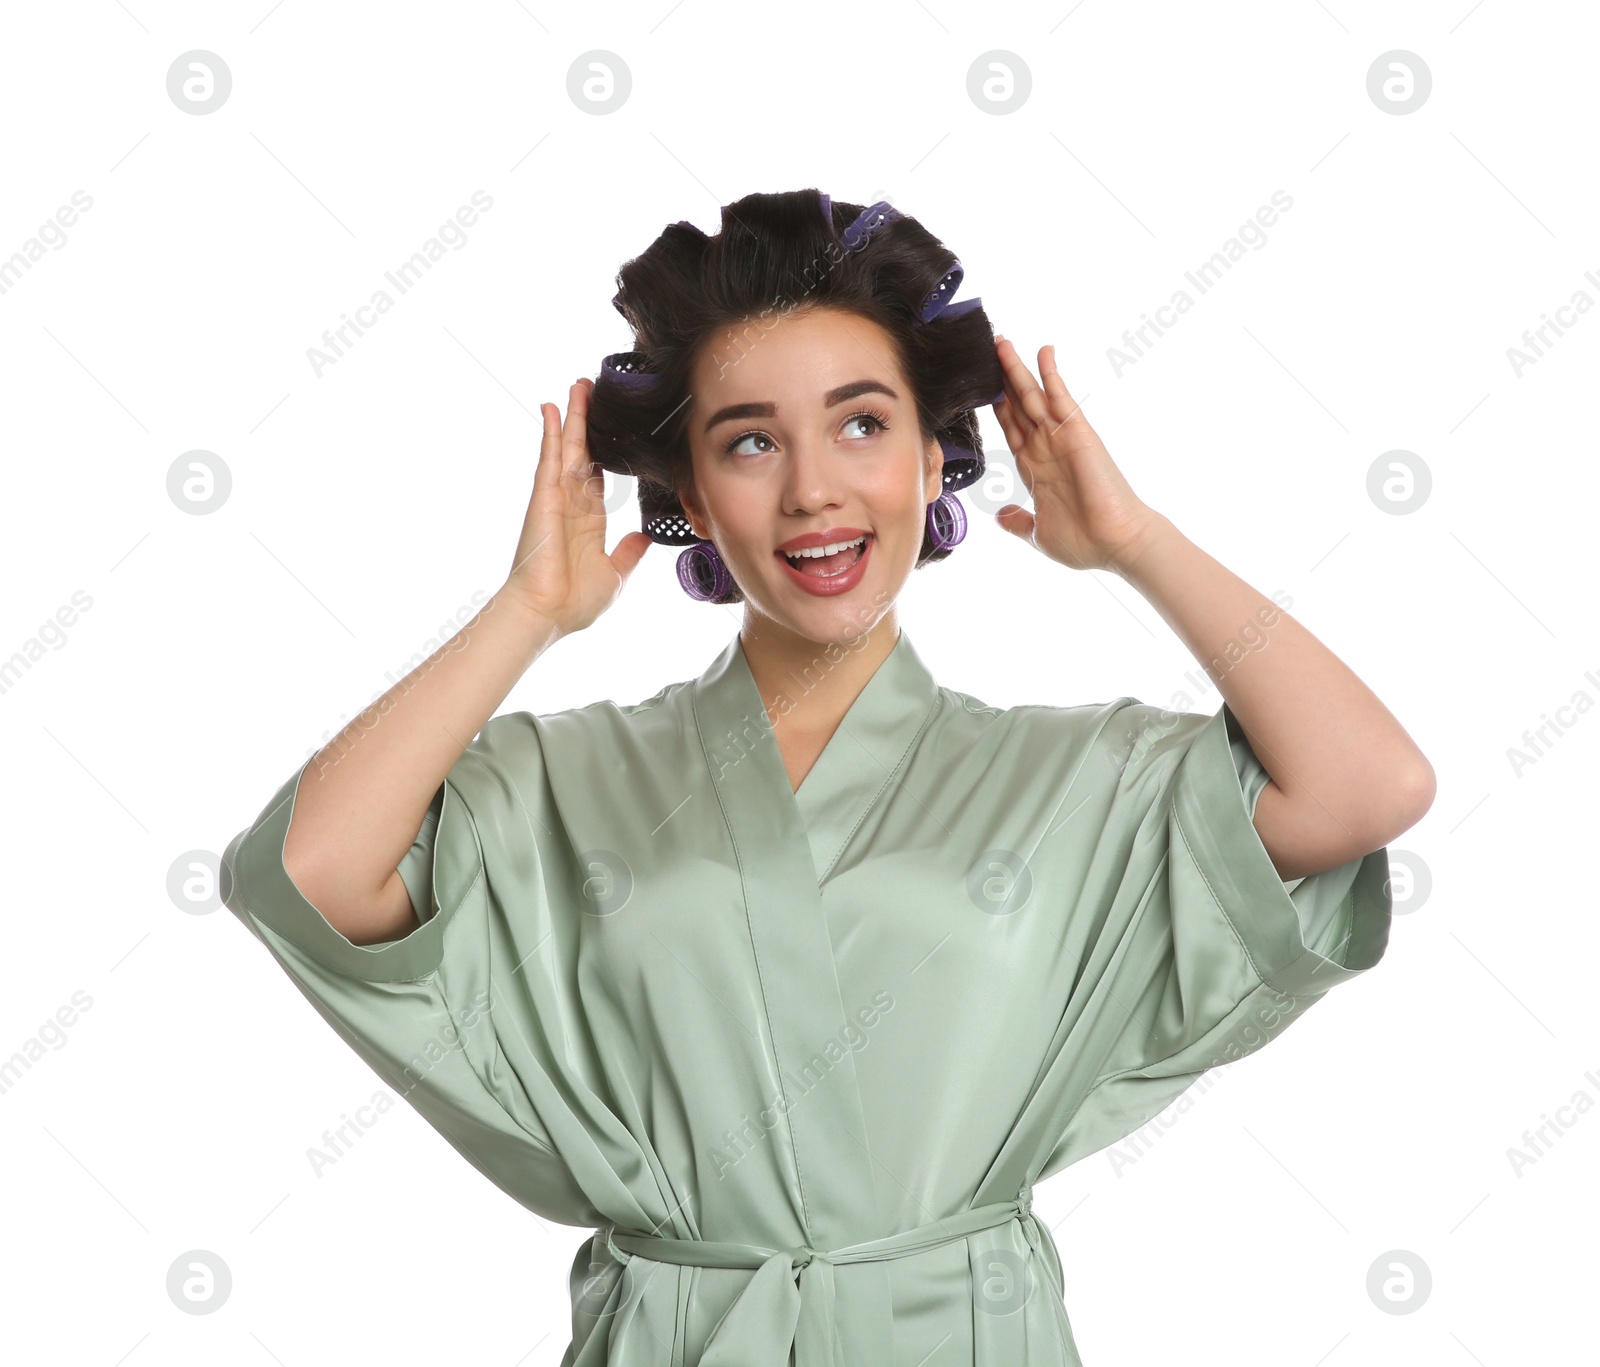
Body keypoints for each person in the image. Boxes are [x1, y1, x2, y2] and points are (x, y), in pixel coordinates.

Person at [220, 189, 1434, 1366]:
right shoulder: (557, 775)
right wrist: (528, 611)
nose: (812, 488)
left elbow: (1367, 784)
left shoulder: (1076, 776)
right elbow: (309, 869)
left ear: (930, 458)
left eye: (862, 423)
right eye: (750, 441)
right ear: (692, 492)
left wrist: (1132, 541)